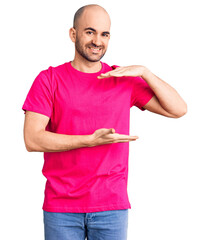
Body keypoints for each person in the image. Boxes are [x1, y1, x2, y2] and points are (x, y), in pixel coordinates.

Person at [22, 4, 187, 240]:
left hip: (111, 206)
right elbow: (32, 138)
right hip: (62, 207)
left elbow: (178, 109)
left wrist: (145, 72)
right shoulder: (49, 79)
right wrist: (90, 141)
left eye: (104, 34)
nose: (97, 41)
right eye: (90, 32)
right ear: (73, 34)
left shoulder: (122, 79)